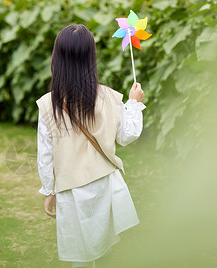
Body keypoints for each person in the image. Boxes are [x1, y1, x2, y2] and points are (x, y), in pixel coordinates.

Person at [36, 24, 146, 268]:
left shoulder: (47, 105)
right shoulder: (109, 96)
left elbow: (45, 156)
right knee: (105, 249)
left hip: (70, 189)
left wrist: (49, 189)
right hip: (104, 183)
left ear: (57, 59)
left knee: (80, 255)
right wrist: (134, 103)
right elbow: (128, 136)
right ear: (91, 57)